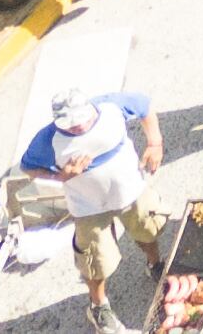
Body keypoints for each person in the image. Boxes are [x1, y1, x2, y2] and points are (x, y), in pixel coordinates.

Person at [24, 87, 170, 332]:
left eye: (83, 121)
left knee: (148, 228)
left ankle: (155, 265)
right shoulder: (47, 141)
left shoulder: (111, 107)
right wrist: (60, 176)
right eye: (71, 126)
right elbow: (29, 168)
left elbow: (145, 107)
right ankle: (98, 306)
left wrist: (155, 143)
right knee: (95, 259)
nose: (79, 127)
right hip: (89, 206)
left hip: (130, 190)